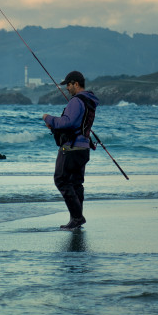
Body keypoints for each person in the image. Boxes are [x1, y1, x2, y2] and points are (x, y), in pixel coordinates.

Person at [43, 70, 99, 230]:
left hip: (71, 148)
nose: (67, 87)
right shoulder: (89, 101)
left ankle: (77, 217)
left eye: (68, 84)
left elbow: (67, 122)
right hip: (83, 148)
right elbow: (76, 123)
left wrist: (48, 118)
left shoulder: (76, 101)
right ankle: (76, 219)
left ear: (76, 83)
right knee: (76, 183)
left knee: (61, 180)